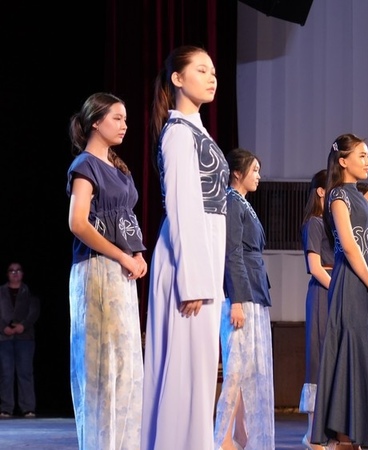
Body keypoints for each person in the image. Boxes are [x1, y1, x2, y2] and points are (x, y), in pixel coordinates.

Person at [142, 45, 230, 450]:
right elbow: (181, 205)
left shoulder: (196, 131)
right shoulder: (178, 133)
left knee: (200, 368)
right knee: (185, 367)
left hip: (205, 252)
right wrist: (192, 280)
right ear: (177, 79)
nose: (212, 77)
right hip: (187, 261)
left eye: (213, 71)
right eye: (201, 70)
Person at [66, 92, 147, 448]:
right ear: (96, 122)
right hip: (98, 271)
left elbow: (125, 220)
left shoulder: (118, 167)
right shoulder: (86, 165)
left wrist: (136, 254)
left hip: (120, 274)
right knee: (102, 366)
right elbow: (78, 223)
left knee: (125, 365)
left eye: (125, 118)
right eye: (116, 118)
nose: (124, 125)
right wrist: (122, 256)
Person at [311, 134, 368, 449]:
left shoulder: (359, 196)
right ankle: (345, 437)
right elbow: (349, 247)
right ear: (343, 161)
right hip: (351, 285)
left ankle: (359, 435)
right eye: (362, 155)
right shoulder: (338, 197)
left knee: (366, 356)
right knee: (351, 356)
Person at [214, 148, 275, 450]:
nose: (258, 176)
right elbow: (232, 252)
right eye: (254, 170)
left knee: (249, 369)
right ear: (237, 173)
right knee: (236, 368)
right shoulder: (230, 201)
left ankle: (241, 433)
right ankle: (223, 437)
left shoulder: (242, 203)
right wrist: (236, 299)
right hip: (242, 292)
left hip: (254, 289)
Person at [299, 169, 333, 450]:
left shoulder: (332, 223)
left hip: (334, 290)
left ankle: (328, 431)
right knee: (318, 358)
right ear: (321, 191)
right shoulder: (314, 223)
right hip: (324, 291)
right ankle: (313, 434)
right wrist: (338, 289)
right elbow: (315, 267)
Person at [0, 262, 40, 419]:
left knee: (25, 373)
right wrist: (3, 327)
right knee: (6, 373)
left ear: (22, 273)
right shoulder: (1, 291)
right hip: (4, 337)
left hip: (25, 337)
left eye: (18, 270)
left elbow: (34, 311)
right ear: (7, 274)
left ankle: (28, 408)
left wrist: (23, 325)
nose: (15, 273)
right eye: (12, 271)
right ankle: (6, 408)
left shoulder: (29, 291)